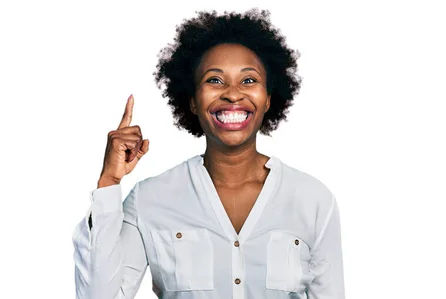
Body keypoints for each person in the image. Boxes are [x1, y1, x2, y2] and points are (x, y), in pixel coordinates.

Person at [72, 9, 345, 299]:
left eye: (249, 80)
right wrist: (108, 183)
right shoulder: (149, 200)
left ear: (268, 100)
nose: (232, 93)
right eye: (214, 80)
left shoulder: (313, 199)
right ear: (191, 101)